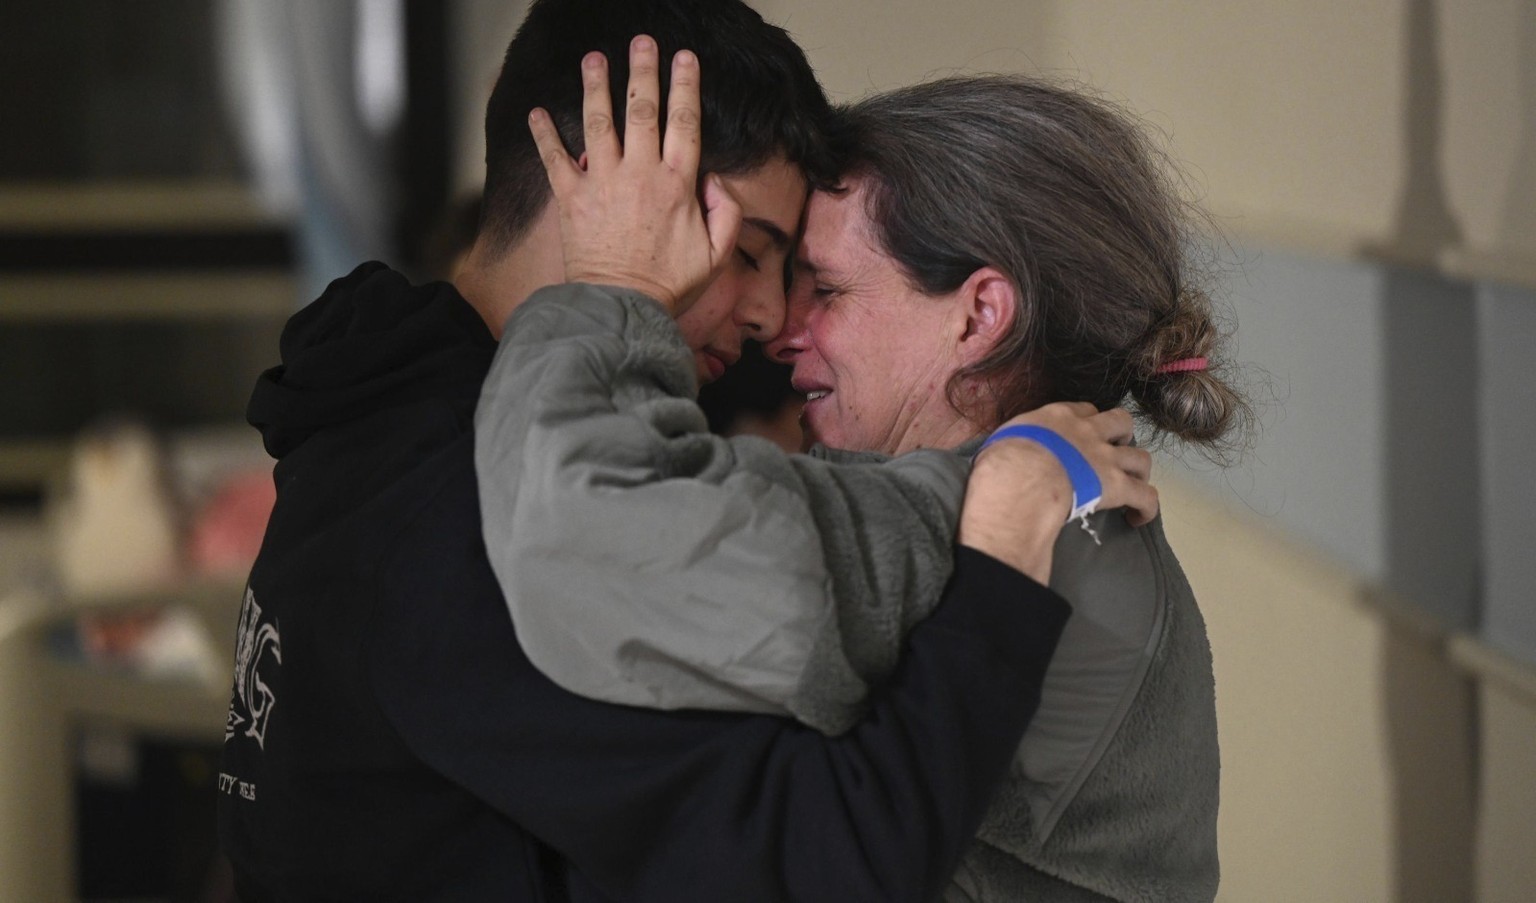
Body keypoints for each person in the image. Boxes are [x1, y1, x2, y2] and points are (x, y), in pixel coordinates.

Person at [217, 2, 1160, 900]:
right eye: (749, 249)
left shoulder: (378, 404)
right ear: (605, 190)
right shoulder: (479, 514)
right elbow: (829, 862)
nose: (767, 317)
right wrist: (998, 547)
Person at [477, 66, 1248, 901]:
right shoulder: (1074, 518)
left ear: (980, 315)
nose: (781, 329)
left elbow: (584, 522)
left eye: (829, 289)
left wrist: (613, 282)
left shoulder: (997, 518)